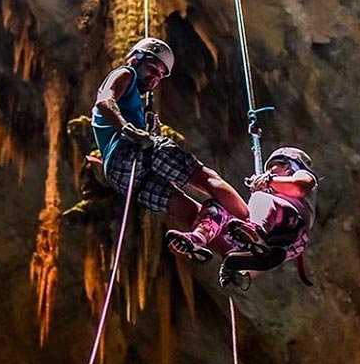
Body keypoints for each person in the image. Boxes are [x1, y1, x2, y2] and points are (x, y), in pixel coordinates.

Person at [88, 37, 249, 242]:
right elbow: (104, 101)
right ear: (134, 59)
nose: (155, 78)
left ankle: (229, 255)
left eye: (161, 75)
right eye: (152, 69)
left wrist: (148, 129)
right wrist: (128, 129)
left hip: (122, 176)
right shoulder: (125, 73)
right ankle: (254, 225)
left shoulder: (137, 104)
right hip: (131, 151)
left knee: (193, 212)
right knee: (206, 179)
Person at [166, 147, 318, 290]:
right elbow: (265, 260)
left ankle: (255, 232)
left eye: (273, 166)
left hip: (291, 222)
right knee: (217, 207)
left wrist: (268, 181)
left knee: (259, 198)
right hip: (280, 244)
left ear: (288, 166)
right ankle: (199, 238)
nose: (269, 171)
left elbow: (300, 186)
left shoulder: (300, 175)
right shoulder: (270, 196)